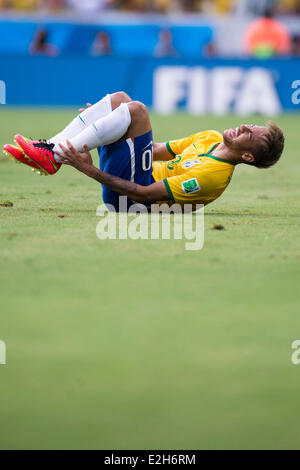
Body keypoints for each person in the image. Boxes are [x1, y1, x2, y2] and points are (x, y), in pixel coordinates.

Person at [3, 91, 284, 212]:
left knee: (136, 110)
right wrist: (107, 127)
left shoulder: (213, 176)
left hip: (129, 202)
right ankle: (49, 151)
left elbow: (143, 195)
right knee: (119, 102)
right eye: (253, 124)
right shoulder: (209, 137)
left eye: (252, 134)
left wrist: (86, 167)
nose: (246, 125)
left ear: (248, 157)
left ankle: (56, 156)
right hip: (136, 174)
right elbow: (153, 149)